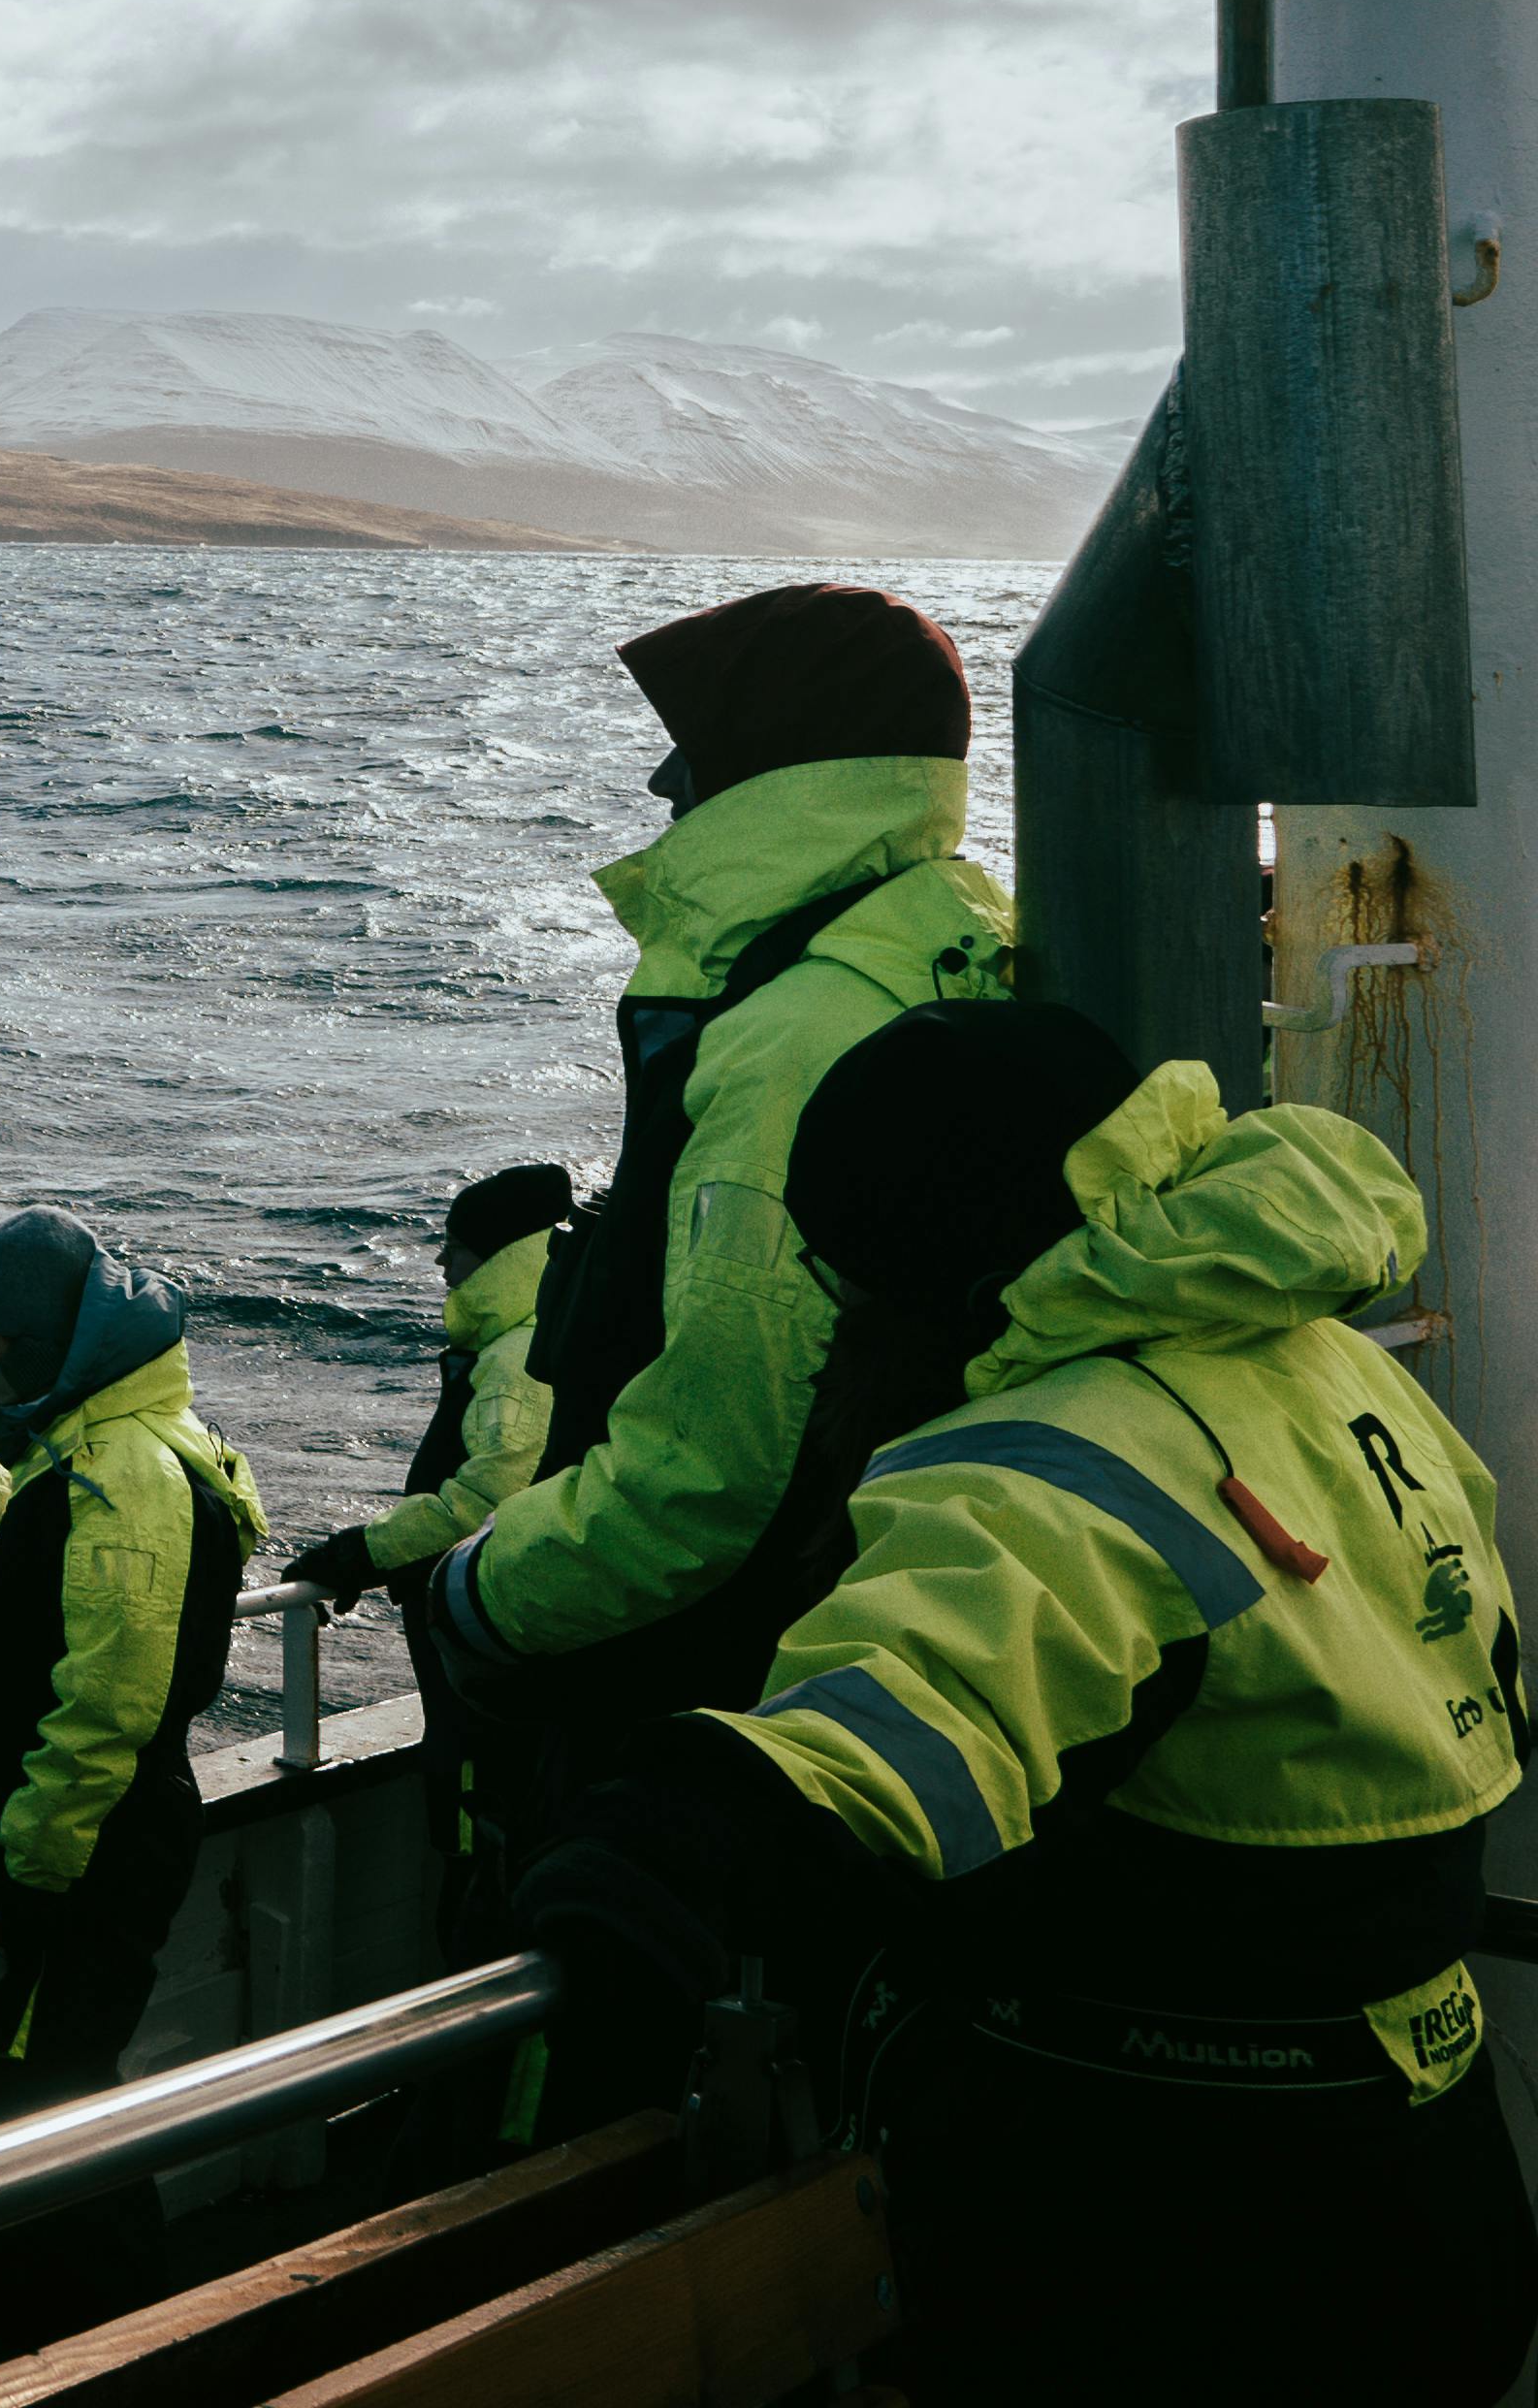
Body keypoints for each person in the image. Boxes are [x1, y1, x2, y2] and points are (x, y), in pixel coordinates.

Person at [515, 1002, 1535, 2403]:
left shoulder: (1047, 1457)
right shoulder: (1316, 1355)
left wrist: (669, 1838)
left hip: (1186, 2244)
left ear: (915, 1273)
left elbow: (901, 1720)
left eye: (842, 1269)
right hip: (1433, 2161)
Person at [414, 587, 1008, 1739]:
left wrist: (476, 1594)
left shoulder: (797, 1033)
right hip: (860, 1623)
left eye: (690, 748)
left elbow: (709, 1473)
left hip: (717, 1669)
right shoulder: (941, 939)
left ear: (778, 771)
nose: (660, 785)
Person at [0, 1210, 259, 2328]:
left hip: (77, 1846)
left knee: (42, 2086)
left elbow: (108, 1705)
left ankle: (109, 2332)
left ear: (36, 1343)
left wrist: (27, 1882)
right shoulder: (106, 1446)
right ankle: (35, 2292)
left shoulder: (119, 1479)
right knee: (27, 2079)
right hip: (84, 1833)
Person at [282, 1161, 573, 1958]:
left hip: (495, 1673)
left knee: (488, 1856)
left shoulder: (517, 1358)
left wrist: (364, 1552)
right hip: (492, 1657)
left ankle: (471, 2048)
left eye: (456, 1248)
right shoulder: (530, 1338)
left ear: (503, 1256)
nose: (443, 1266)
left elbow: (489, 1500)